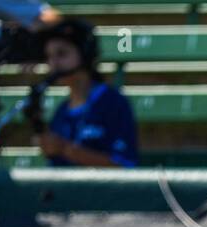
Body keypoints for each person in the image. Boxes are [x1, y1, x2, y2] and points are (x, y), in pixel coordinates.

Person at [33, 17, 137, 167]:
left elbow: (124, 166)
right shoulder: (61, 112)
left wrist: (65, 149)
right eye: (49, 57)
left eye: (62, 54)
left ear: (85, 53)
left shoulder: (113, 103)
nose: (53, 64)